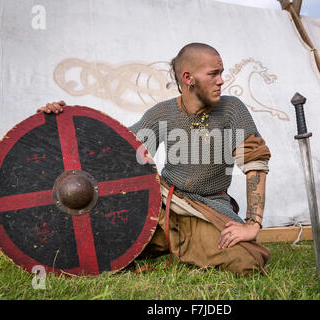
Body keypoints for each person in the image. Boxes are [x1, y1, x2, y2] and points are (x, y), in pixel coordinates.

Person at [37, 43, 271, 275]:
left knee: (247, 262)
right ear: (188, 77)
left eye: (221, 73)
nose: (221, 80)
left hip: (206, 208)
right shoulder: (163, 113)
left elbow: (255, 164)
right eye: (213, 74)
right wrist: (61, 122)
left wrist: (252, 224)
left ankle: (181, 245)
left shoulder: (232, 109)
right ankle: (172, 245)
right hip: (162, 206)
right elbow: (116, 145)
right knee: (103, 247)